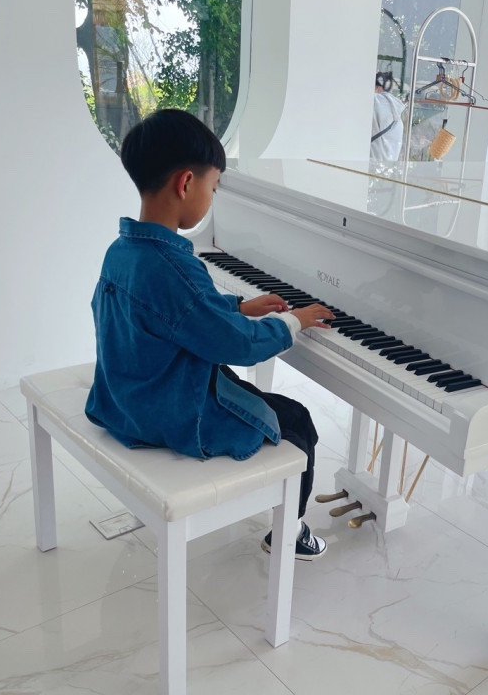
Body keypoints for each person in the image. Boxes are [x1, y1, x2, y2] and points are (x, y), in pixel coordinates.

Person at [85, 108, 335, 560]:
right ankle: (290, 533)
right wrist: (294, 321)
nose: (212, 196)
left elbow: (176, 313)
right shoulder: (174, 267)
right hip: (168, 413)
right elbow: (238, 345)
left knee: (242, 390)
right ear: (186, 183)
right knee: (298, 420)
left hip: (124, 398)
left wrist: (238, 306)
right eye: (213, 187)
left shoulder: (122, 250)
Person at [370, 71, 405, 160]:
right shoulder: (398, 114)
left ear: (378, 87)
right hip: (387, 164)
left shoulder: (374, 102)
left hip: (371, 160)